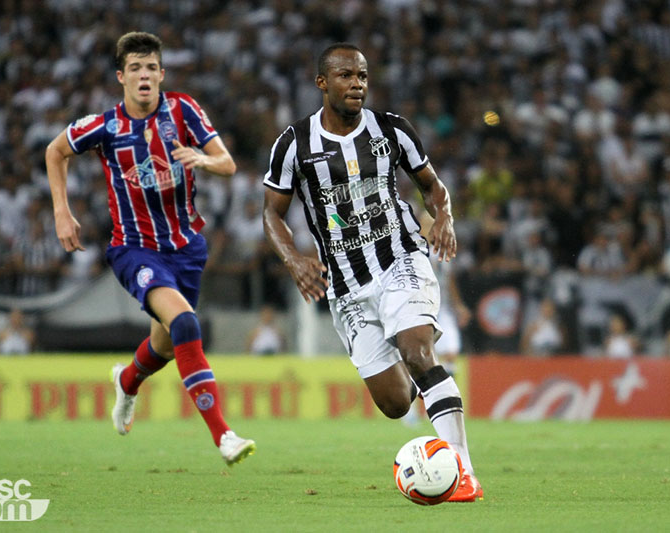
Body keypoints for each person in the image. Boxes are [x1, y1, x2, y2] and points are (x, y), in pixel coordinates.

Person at [262, 43, 481, 501]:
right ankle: (419, 374)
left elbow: (432, 187)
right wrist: (295, 259)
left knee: (419, 352)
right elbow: (272, 213)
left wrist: (443, 218)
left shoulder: (392, 130)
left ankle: (463, 471)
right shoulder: (294, 144)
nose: (357, 84)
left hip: (400, 257)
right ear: (322, 83)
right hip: (346, 286)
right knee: (395, 401)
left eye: (362, 76)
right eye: (345, 76)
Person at [45, 32, 254, 465]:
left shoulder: (184, 110)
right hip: (133, 249)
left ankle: (127, 381)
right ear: (121, 77)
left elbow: (228, 163)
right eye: (135, 68)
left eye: (151, 67)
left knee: (164, 343)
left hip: (186, 249)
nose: (144, 75)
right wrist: (61, 212)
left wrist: (203, 160)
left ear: (162, 74)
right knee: (185, 323)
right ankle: (223, 436)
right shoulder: (105, 126)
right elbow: (56, 151)